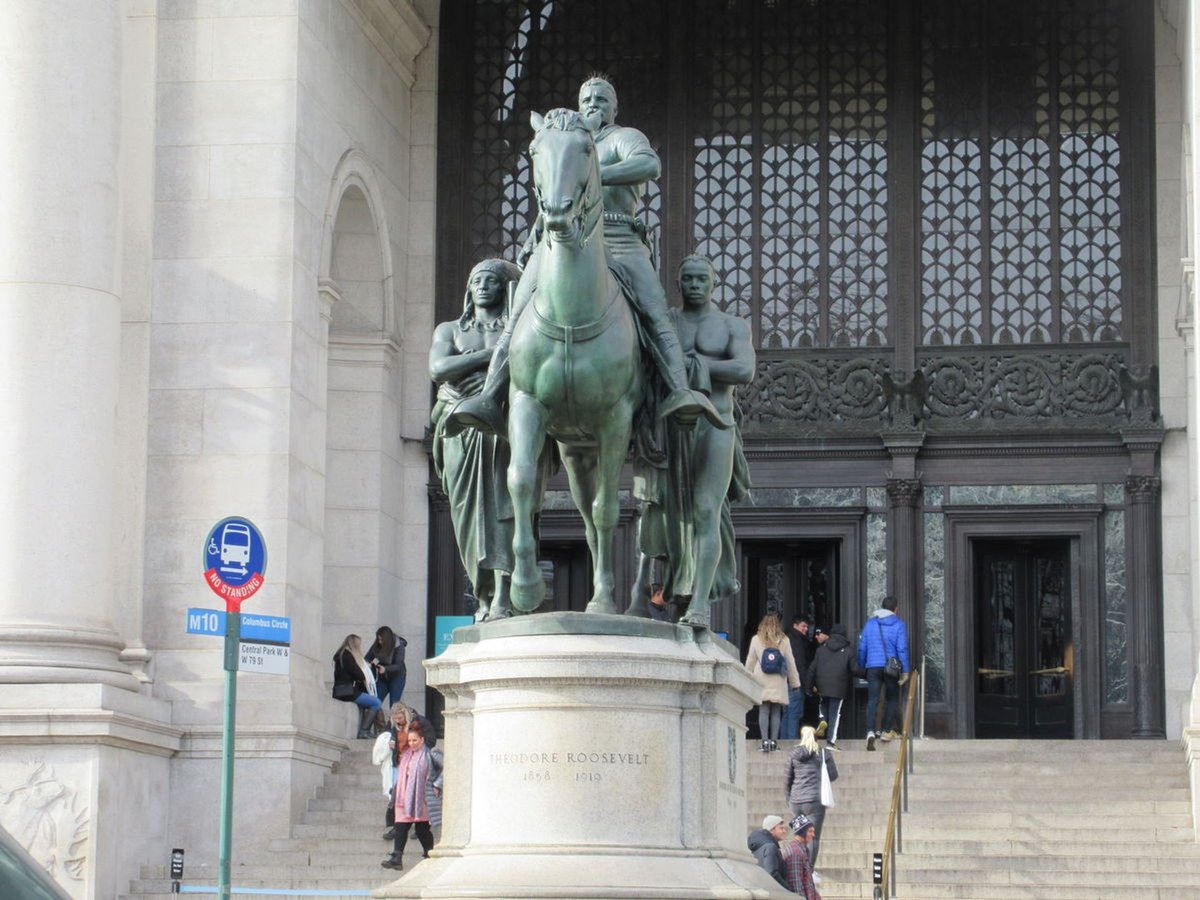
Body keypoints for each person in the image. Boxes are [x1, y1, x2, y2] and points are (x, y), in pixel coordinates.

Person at [448, 75, 722, 436]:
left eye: (602, 98)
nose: (594, 103)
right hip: (561, 239)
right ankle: (488, 397)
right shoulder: (562, 141)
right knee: (515, 318)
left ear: (614, 107)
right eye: (587, 98)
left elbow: (649, 165)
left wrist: (593, 172)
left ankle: (679, 392)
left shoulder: (624, 137)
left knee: (656, 314)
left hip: (619, 237)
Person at [628, 255, 754, 627]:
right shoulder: (666, 322)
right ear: (679, 284)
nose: (695, 285)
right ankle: (660, 593)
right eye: (688, 279)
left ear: (712, 283)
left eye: (702, 279)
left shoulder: (732, 325)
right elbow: (641, 365)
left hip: (716, 423)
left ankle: (699, 604)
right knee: (661, 514)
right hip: (670, 427)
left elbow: (744, 369)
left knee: (705, 511)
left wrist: (694, 365)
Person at [429, 258, 522, 622]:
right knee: (467, 514)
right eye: (477, 280)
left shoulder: (517, 327)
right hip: (459, 431)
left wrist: (466, 365)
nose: (483, 286)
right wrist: (491, 356)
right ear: (469, 289)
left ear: (504, 288)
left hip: (502, 430)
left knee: (504, 509)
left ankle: (503, 595)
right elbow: (438, 369)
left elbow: (525, 362)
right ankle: (482, 596)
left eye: (492, 281)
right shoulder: (450, 330)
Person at [381, 719, 443, 870]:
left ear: (422, 739)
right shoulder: (407, 755)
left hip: (421, 797)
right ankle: (397, 857)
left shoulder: (431, 754)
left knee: (422, 829)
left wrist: (437, 784)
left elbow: (447, 768)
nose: (412, 743)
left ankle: (429, 853)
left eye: (415, 740)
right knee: (401, 825)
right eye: (410, 740)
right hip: (403, 796)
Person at [857, 595, 911, 751]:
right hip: (890, 667)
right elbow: (902, 648)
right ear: (895, 609)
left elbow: (862, 647)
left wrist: (862, 665)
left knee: (873, 699)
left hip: (873, 666)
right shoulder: (899, 624)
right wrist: (905, 671)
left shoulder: (870, 623)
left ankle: (870, 731)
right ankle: (887, 730)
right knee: (892, 698)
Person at [785, 725, 837, 873]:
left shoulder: (793, 753)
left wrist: (788, 798)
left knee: (800, 834)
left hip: (796, 800)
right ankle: (809, 870)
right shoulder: (822, 753)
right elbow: (833, 775)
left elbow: (788, 778)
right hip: (814, 801)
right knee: (812, 837)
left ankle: (799, 865)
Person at [744, 613, 800, 750]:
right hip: (778, 678)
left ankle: (764, 741)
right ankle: (774, 742)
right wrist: (795, 683)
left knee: (763, 710)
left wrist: (745, 678)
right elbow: (790, 662)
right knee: (776, 711)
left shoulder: (756, 639)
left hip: (761, 679)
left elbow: (750, 661)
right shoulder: (784, 640)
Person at [807, 623, 856, 748]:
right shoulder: (848, 650)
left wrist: (809, 687)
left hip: (822, 685)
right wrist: (868, 673)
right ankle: (830, 742)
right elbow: (855, 669)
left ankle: (822, 719)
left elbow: (812, 669)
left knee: (822, 703)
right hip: (839, 686)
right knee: (835, 713)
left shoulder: (821, 649)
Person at [373, 704, 412, 840]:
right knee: (396, 796)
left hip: (411, 766)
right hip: (398, 764)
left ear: (405, 716)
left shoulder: (414, 727)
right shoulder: (394, 729)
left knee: (408, 796)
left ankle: (412, 825)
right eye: (395, 719)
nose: (398, 721)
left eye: (400, 718)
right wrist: (391, 745)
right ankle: (396, 825)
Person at [332, 634, 381, 739]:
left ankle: (364, 730)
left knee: (366, 702)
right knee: (376, 702)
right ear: (354, 645)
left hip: (340, 691)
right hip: (347, 692)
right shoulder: (348, 656)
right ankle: (364, 731)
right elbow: (359, 675)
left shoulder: (340, 655)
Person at [783, 616, 815, 739]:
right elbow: (800, 664)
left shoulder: (787, 638)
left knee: (787, 714)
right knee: (794, 714)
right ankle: (791, 743)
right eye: (803, 626)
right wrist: (807, 683)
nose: (806, 629)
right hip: (795, 682)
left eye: (807, 627)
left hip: (786, 681)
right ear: (795, 626)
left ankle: (784, 741)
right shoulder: (797, 640)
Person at [366, 625, 408, 710]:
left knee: (394, 706)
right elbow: (368, 657)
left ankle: (394, 723)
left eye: (382, 640)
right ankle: (374, 723)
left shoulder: (399, 646)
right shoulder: (377, 646)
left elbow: (398, 666)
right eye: (378, 639)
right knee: (375, 702)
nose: (380, 642)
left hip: (397, 677)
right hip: (383, 678)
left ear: (387, 640)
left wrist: (386, 669)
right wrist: (369, 664)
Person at [781, 813, 822, 899]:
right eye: (810, 831)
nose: (813, 835)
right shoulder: (795, 853)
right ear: (802, 832)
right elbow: (796, 885)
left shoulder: (800, 849)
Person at [746, 814, 790, 890]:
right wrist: (788, 889)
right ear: (772, 830)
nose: (784, 831)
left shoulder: (761, 846)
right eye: (781, 828)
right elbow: (772, 873)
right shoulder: (770, 847)